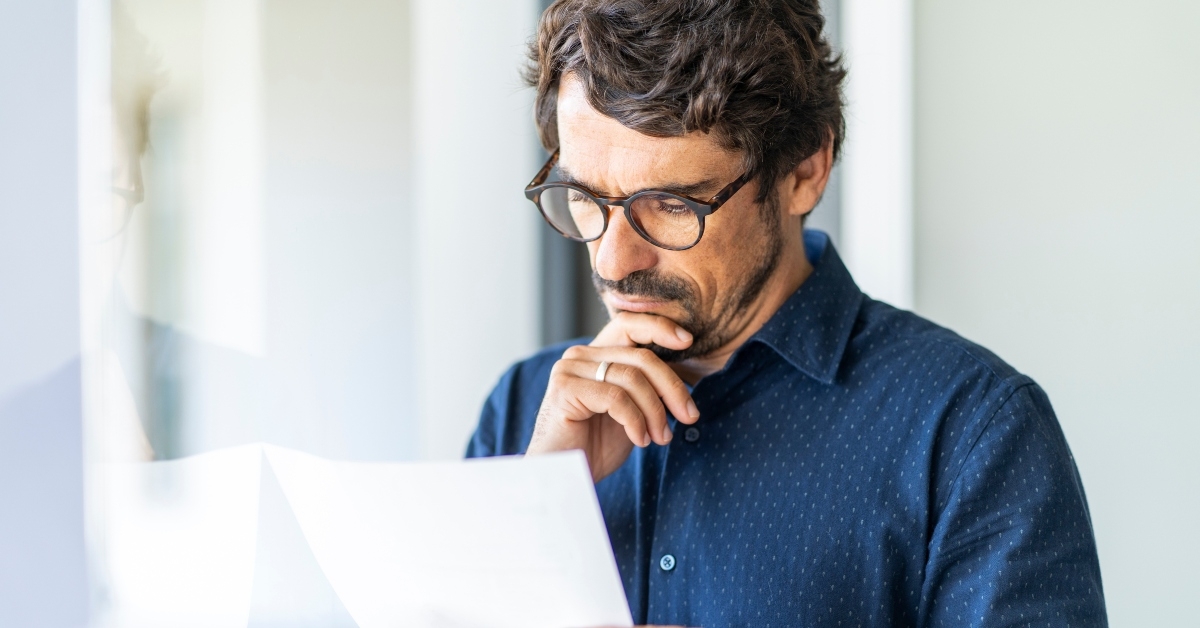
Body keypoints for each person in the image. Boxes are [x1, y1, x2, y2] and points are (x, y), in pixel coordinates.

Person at [467, 1, 1108, 625]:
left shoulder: (971, 431)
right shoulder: (524, 410)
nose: (611, 259)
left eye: (670, 205)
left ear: (805, 169)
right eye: (584, 197)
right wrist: (536, 505)